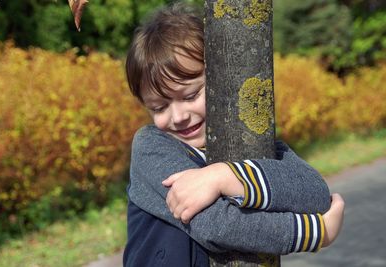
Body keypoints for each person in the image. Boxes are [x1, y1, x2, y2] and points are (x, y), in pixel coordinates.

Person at [123, 3, 344, 267]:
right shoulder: (152, 148)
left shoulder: (253, 141)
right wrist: (313, 232)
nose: (178, 116)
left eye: (191, 95)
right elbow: (214, 225)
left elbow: (316, 193)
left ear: (219, 77)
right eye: (159, 107)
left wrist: (224, 177)